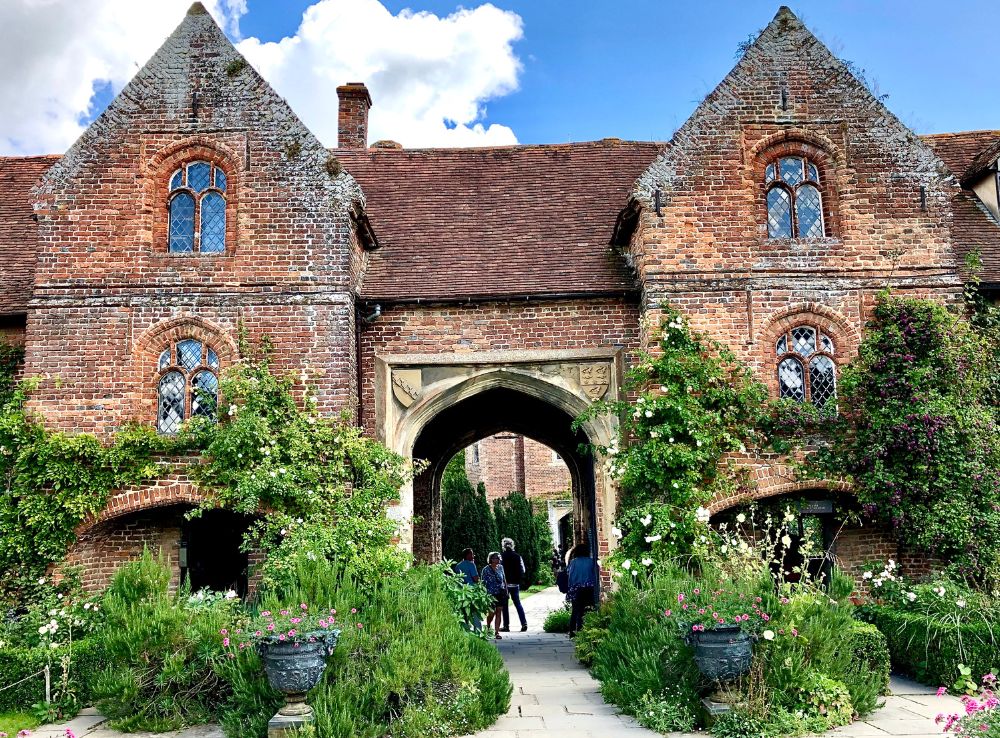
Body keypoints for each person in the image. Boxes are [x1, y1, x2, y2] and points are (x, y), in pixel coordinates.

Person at [565, 542, 598, 637]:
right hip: (589, 588)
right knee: (589, 609)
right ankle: (588, 629)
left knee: (576, 610)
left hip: (577, 589)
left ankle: (573, 631)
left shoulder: (573, 562)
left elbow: (570, 576)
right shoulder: (591, 561)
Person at [500, 537, 528, 632]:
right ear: (512, 545)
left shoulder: (501, 556)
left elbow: (499, 571)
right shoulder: (517, 556)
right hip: (515, 583)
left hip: (505, 584)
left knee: (505, 606)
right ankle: (524, 623)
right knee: (518, 603)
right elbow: (523, 569)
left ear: (503, 546)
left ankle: (506, 626)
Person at [481, 551, 508, 639]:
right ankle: (488, 627)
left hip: (500, 592)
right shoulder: (486, 569)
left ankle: (496, 632)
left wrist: (506, 591)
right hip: (490, 594)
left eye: (499, 558)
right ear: (492, 559)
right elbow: (483, 583)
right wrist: (483, 594)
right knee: (491, 613)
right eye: (497, 558)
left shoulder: (501, 567)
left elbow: (504, 580)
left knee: (499, 612)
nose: (499, 559)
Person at [454, 548, 482, 632]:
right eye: (472, 554)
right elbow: (476, 578)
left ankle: (466, 629)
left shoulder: (458, 566)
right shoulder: (471, 565)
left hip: (461, 591)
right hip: (472, 590)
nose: (473, 556)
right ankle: (478, 630)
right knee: (475, 611)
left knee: (464, 611)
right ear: (468, 555)